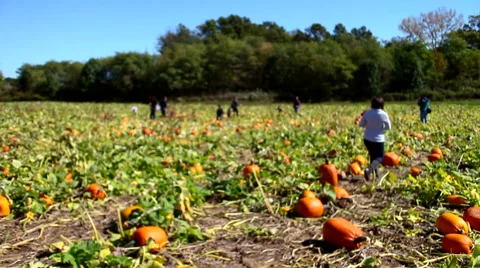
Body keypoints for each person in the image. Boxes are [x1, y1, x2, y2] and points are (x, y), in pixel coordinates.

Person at [358, 96, 392, 181]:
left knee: (373, 157)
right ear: (382, 104)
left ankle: (376, 176)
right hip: (378, 139)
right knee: (380, 157)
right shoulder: (383, 114)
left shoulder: (367, 113)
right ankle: (369, 170)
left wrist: (369, 125)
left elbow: (361, 124)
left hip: (367, 138)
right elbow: (388, 127)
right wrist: (381, 126)